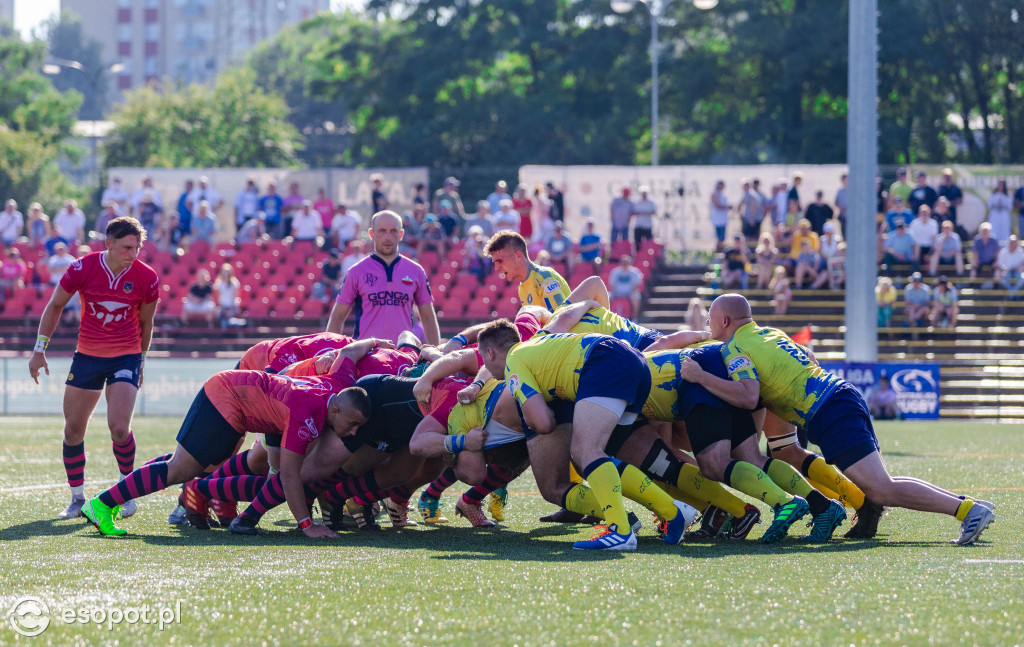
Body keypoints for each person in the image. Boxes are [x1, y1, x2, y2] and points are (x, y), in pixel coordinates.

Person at [696, 293, 995, 545]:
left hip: (828, 410)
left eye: (710, 318)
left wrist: (700, 377)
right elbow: (808, 357)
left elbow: (748, 396)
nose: (707, 324)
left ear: (725, 321)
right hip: (841, 395)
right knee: (881, 483)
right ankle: (970, 506)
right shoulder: (769, 332)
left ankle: (967, 511)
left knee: (881, 489)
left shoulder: (736, 347)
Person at [80, 363, 371, 537]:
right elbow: (290, 477)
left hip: (240, 400)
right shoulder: (308, 414)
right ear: (335, 410)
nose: (355, 430)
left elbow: (351, 354)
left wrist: (373, 343)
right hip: (229, 397)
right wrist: (307, 525)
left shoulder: (339, 387)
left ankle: (113, 500)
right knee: (182, 468)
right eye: (354, 423)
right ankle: (102, 503)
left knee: (194, 466)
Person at [477, 321, 695, 550]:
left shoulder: (514, 362)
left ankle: (621, 530)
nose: (487, 369)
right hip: (634, 362)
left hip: (604, 362)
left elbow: (542, 422)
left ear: (490, 352)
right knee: (600, 459)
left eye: (484, 359)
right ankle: (673, 512)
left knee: (585, 452)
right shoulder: (534, 347)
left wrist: (533, 418)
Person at [29, 217, 159, 520]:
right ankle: (76, 499)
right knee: (73, 429)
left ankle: (126, 494)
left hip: (126, 356)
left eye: (137, 247)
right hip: (87, 356)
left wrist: (141, 360)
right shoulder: (81, 268)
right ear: (109, 243)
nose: (133, 253)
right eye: (127, 247)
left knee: (119, 427)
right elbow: (55, 305)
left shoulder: (147, 277)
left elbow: (146, 322)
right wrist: (39, 350)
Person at [327, 210, 440, 345]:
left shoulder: (416, 271)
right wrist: (330, 351)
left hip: (404, 358)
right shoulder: (356, 272)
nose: (388, 237)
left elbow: (428, 317)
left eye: (393, 231)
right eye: (382, 231)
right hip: (365, 358)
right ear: (371, 234)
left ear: (401, 234)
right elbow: (338, 316)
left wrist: (435, 352)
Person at [485, 230, 569, 310]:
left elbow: (562, 319)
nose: (496, 268)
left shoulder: (544, 278)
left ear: (518, 256)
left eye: (500, 261)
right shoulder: (522, 287)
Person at [709, 180, 730, 251]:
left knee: (722, 238)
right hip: (718, 220)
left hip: (722, 219)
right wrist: (727, 207)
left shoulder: (721, 194)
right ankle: (718, 252)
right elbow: (717, 205)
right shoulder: (715, 194)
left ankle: (720, 252)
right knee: (720, 238)